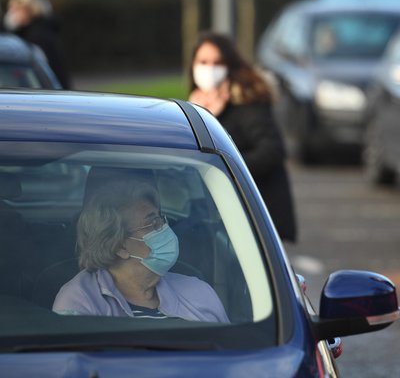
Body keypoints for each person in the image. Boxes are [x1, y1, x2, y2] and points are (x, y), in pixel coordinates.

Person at [53, 179, 229, 322]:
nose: (165, 228)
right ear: (120, 246)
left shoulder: (199, 292)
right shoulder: (79, 302)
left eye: (161, 220)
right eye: (152, 224)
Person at [188, 31, 298, 243]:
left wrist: (228, 169)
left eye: (217, 62)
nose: (209, 69)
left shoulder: (247, 101)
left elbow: (272, 150)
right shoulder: (196, 104)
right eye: (203, 62)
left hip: (256, 212)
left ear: (229, 65)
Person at [3, 0, 71, 89]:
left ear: (29, 10)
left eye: (16, 8)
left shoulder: (37, 36)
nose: (11, 12)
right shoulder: (37, 31)